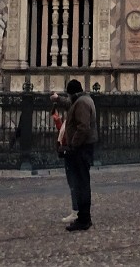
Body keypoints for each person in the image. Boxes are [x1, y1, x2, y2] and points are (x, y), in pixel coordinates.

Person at [61, 78, 97, 231]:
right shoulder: (84, 100)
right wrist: (58, 100)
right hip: (83, 147)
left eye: (68, 95)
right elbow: (71, 106)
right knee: (81, 182)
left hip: (81, 149)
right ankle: (83, 217)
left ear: (72, 93)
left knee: (81, 183)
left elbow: (83, 127)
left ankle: (84, 219)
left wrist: (73, 145)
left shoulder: (81, 103)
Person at [50, 92, 78, 223]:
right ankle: (77, 210)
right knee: (73, 183)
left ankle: (77, 211)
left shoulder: (76, 114)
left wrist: (58, 98)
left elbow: (68, 134)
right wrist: (57, 121)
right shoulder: (70, 120)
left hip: (72, 154)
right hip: (69, 153)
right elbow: (64, 130)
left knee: (74, 183)